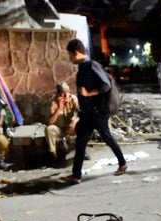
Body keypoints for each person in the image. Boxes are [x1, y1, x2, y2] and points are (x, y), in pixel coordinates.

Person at [64, 38, 128, 184]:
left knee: (107, 137)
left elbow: (105, 85)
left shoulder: (92, 66)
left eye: (70, 55)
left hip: (98, 112)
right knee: (81, 142)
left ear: (76, 53)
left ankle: (123, 163)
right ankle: (76, 176)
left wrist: (89, 93)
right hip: (88, 112)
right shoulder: (83, 67)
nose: (69, 59)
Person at [46, 81, 79, 161]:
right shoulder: (53, 102)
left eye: (65, 93)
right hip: (60, 129)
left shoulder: (73, 98)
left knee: (83, 125)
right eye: (61, 94)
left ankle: (82, 151)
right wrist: (58, 109)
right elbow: (50, 122)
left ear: (69, 92)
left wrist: (73, 122)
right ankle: (53, 154)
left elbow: (82, 113)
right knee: (49, 129)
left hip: (72, 128)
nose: (64, 96)